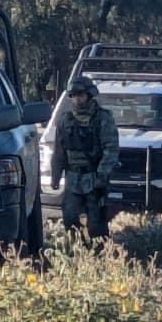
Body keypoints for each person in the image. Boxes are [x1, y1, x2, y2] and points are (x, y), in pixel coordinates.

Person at [49, 78, 119, 241]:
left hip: (94, 178)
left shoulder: (102, 118)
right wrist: (55, 176)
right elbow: (59, 151)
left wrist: (103, 174)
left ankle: (99, 256)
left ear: (89, 95)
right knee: (70, 220)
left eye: (80, 95)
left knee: (96, 225)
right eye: (74, 95)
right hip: (73, 178)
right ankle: (76, 254)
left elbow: (111, 148)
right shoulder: (65, 120)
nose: (77, 99)